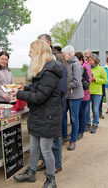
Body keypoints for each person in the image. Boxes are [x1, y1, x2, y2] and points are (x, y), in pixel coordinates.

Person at [12, 39, 62, 187]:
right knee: (34, 147)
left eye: (31, 51)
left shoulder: (49, 72)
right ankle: (31, 172)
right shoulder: (43, 69)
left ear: (39, 53)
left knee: (46, 150)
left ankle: (51, 179)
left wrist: (19, 94)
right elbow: (38, 91)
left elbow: (40, 97)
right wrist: (25, 89)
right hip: (39, 115)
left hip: (48, 117)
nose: (29, 54)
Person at [35, 34, 68, 174]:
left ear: (48, 45)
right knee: (43, 136)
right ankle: (45, 161)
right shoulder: (40, 66)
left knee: (54, 137)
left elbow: (62, 89)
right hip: (43, 108)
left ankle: (57, 164)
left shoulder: (58, 65)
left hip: (55, 107)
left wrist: (47, 100)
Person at [62, 45, 84, 151]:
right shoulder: (67, 63)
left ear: (69, 54)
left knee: (74, 118)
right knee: (62, 116)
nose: (63, 56)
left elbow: (77, 82)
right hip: (67, 95)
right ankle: (65, 136)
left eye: (64, 55)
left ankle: (73, 141)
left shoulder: (76, 65)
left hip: (75, 96)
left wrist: (64, 85)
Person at [85, 54, 108, 133]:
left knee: (95, 109)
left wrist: (96, 79)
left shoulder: (101, 69)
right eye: (88, 60)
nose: (89, 61)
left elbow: (105, 80)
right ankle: (87, 123)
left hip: (97, 92)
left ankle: (95, 123)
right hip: (88, 91)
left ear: (95, 60)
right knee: (87, 109)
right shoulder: (86, 68)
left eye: (91, 60)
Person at [74, 52, 92, 141]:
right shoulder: (79, 67)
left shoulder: (86, 67)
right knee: (76, 114)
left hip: (84, 94)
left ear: (80, 60)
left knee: (81, 113)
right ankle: (76, 131)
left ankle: (81, 131)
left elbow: (89, 80)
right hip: (78, 94)